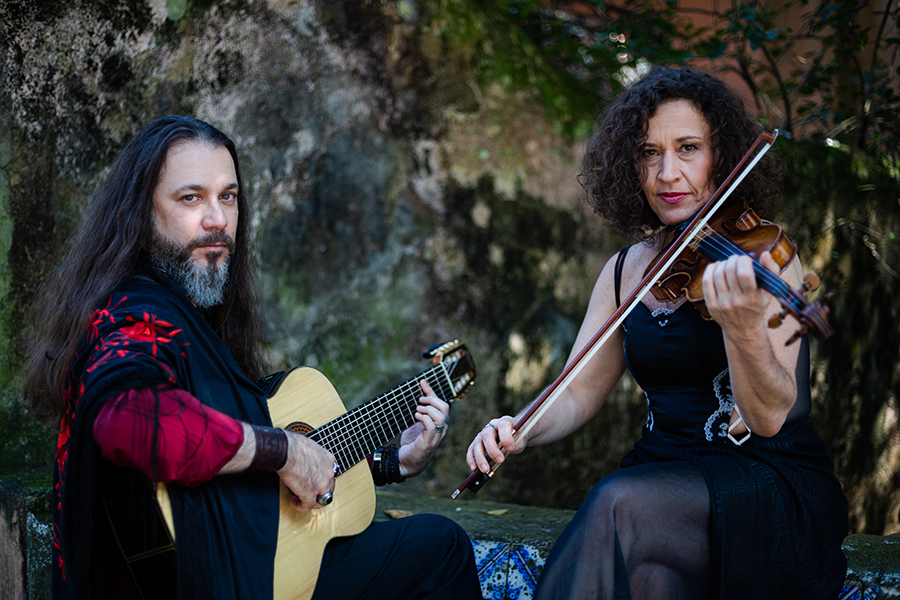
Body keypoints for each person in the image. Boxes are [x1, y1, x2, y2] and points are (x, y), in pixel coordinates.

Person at [22, 115, 483, 600]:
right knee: (440, 546)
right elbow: (132, 421)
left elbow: (229, 478)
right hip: (198, 583)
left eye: (228, 196)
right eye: (190, 198)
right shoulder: (137, 317)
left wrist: (390, 463)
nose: (217, 219)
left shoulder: (184, 312)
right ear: (141, 212)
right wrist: (282, 450)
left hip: (226, 570)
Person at [466, 65, 848, 599]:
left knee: (616, 503)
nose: (667, 172)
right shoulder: (626, 271)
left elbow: (768, 419)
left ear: (724, 156)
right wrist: (521, 427)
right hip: (664, 477)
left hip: (762, 482)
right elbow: (576, 390)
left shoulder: (764, 256)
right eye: (649, 152)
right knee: (647, 580)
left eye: (688, 148)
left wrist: (742, 332)